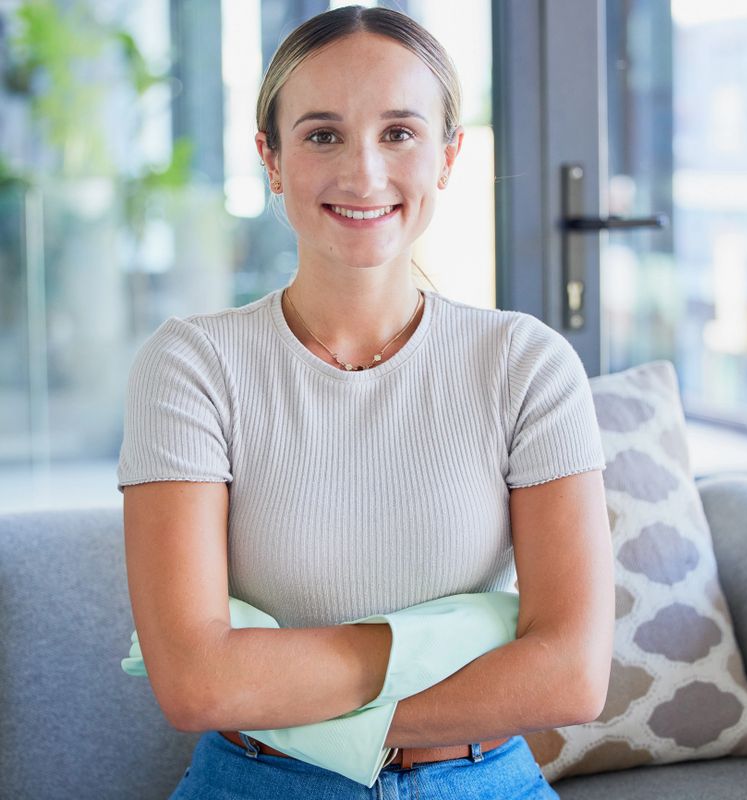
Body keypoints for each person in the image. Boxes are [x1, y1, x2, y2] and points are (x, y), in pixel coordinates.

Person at [117, 5, 615, 799]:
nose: (364, 173)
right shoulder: (192, 366)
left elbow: (572, 678)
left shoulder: (525, 363)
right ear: (270, 160)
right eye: (321, 134)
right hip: (258, 783)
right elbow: (195, 686)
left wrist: (277, 677)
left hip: (482, 780)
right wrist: (460, 643)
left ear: (449, 156)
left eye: (399, 133)